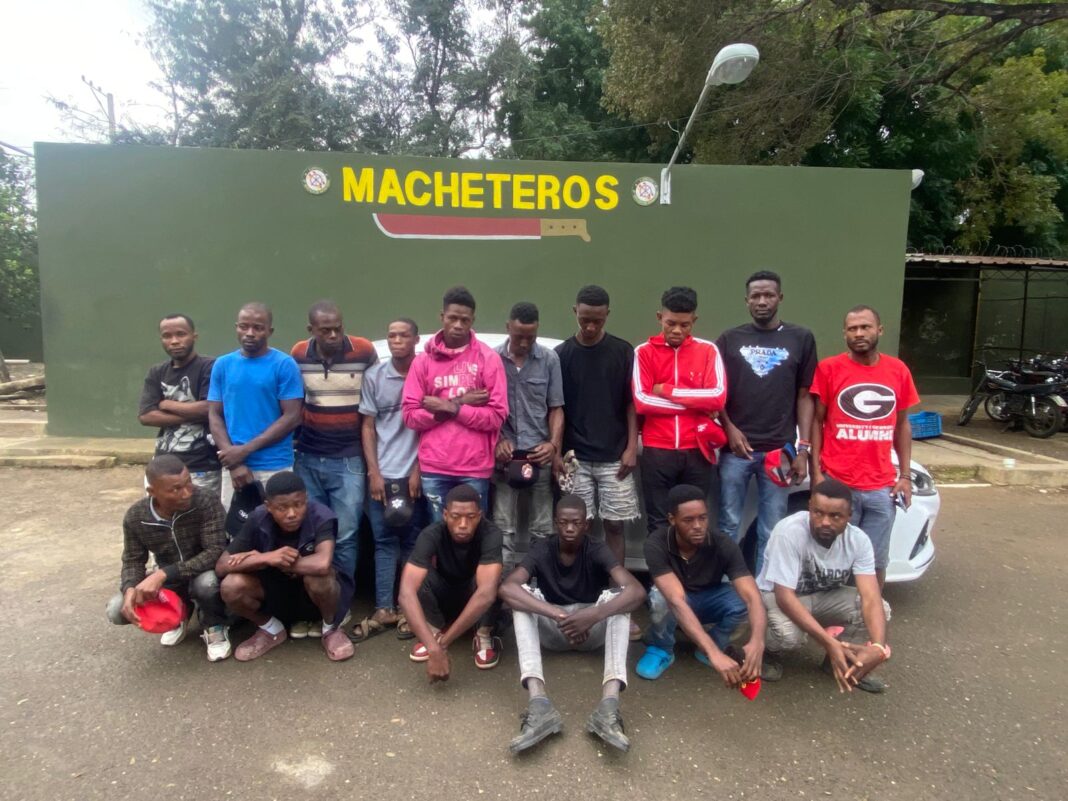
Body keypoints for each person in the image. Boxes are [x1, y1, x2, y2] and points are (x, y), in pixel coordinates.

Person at [499, 494, 646, 754]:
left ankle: (609, 707)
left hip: (591, 631)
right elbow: (507, 588)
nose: (569, 528)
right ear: (555, 522)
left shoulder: (597, 548)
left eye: (576, 523)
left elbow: (636, 591)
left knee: (620, 599)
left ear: (586, 525)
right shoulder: (542, 547)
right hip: (554, 629)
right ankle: (538, 704)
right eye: (564, 522)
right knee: (521, 597)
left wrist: (593, 615)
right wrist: (557, 614)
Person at [809, 305, 920, 586]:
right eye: (852, 328)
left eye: (865, 327)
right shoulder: (829, 369)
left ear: (879, 330)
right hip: (838, 483)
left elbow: (902, 425)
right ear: (844, 333)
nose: (859, 333)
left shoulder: (898, 370)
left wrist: (905, 476)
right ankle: (834, 610)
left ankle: (871, 609)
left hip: (881, 487)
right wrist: (817, 474)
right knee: (832, 558)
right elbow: (817, 422)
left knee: (875, 561)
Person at [715, 271, 817, 573]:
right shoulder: (729, 339)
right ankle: (727, 587)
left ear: (780, 298)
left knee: (772, 528)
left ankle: (764, 588)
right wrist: (728, 428)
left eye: (769, 295)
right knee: (728, 524)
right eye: (756, 296)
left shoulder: (801, 338)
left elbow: (805, 396)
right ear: (746, 300)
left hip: (779, 452)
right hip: (736, 451)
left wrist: (803, 450)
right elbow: (716, 394)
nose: (762, 301)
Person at [290, 300, 378, 637]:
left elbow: (375, 400)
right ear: (310, 330)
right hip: (308, 457)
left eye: (337, 328)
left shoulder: (364, 351)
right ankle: (313, 606)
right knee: (310, 535)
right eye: (324, 330)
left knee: (346, 535)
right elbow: (294, 401)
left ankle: (339, 608)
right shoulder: (298, 354)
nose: (333, 335)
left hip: (349, 459)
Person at [757, 478, 892, 693]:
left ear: (849, 516)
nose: (825, 522)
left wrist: (877, 647)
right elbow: (784, 597)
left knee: (881, 609)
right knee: (788, 635)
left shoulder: (858, 540)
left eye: (835, 516)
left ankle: (843, 663)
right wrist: (828, 641)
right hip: (778, 597)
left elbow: (871, 597)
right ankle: (766, 653)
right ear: (809, 508)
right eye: (818, 513)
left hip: (822, 595)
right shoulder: (789, 532)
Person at [636, 484, 767, 686]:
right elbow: (675, 601)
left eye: (702, 518)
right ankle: (662, 648)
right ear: (672, 519)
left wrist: (758, 641)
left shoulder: (722, 543)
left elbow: (752, 596)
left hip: (709, 598)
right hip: (678, 602)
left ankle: (713, 643)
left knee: (749, 600)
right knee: (660, 598)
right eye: (688, 520)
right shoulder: (657, 543)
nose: (698, 526)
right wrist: (714, 654)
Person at [216, 471, 354, 662]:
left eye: (298, 505)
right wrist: (267, 558)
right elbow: (222, 566)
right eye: (282, 508)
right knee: (231, 585)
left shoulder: (321, 516)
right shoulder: (257, 518)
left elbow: (322, 564)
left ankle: (330, 629)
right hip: (275, 595)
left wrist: (280, 563)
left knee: (320, 577)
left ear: (306, 499)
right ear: (268, 506)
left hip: (313, 599)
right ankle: (271, 630)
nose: (291, 514)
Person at [106, 455, 230, 662]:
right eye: (175, 489)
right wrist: (129, 588)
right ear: (152, 492)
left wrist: (163, 574)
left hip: (202, 571)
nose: (186, 492)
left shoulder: (205, 500)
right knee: (117, 609)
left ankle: (214, 625)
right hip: (169, 580)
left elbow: (215, 551)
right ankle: (178, 614)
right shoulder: (136, 517)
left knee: (206, 583)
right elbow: (133, 559)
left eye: (188, 482)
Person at [402, 286, 508, 520]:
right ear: (442, 317)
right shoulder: (423, 362)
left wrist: (452, 408)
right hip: (434, 467)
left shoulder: (488, 359)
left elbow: (496, 417)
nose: (458, 325)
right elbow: (410, 416)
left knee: (472, 535)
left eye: (464, 320)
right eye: (452, 318)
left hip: (475, 468)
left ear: (472, 321)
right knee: (439, 532)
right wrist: (456, 403)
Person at [554, 285, 640, 566]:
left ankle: (617, 584)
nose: (590, 327)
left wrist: (631, 447)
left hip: (615, 456)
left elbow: (631, 404)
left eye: (597, 321)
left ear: (607, 315)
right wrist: (557, 453)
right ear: (574, 312)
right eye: (584, 319)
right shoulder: (561, 355)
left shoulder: (623, 351)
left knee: (615, 524)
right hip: (574, 457)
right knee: (579, 525)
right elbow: (556, 409)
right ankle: (583, 581)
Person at [633, 286, 728, 534]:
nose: (677, 330)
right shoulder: (643, 352)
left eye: (685, 325)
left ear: (694, 320)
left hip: (698, 449)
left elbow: (717, 397)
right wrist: (696, 406)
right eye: (671, 323)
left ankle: (690, 563)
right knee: (658, 521)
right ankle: (661, 562)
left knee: (694, 524)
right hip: (657, 450)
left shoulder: (708, 351)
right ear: (659, 317)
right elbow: (642, 401)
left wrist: (667, 390)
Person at [357, 317, 428, 641]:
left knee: (414, 542)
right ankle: (384, 607)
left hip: (415, 473)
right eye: (391, 336)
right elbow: (368, 426)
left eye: (403, 335)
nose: (396, 341)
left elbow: (430, 427)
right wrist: (374, 472)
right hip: (382, 474)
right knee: (384, 541)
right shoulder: (375, 376)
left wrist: (418, 470)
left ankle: (408, 608)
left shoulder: (426, 373)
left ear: (416, 339)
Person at [397, 485, 504, 679]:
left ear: (480, 516)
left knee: (495, 581)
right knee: (414, 573)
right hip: (445, 593)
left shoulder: (491, 533)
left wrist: (443, 646)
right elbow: (406, 594)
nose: (463, 524)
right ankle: (433, 632)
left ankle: (483, 635)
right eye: (456, 516)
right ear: (445, 515)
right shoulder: (431, 534)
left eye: (471, 517)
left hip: (474, 594)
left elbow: (486, 594)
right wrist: (433, 648)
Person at [208, 302, 304, 510]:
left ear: (270, 331)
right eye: (244, 326)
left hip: (275, 465)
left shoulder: (284, 365)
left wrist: (244, 451)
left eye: (258, 328)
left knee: (279, 524)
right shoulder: (223, 365)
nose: (250, 333)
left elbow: (292, 417)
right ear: (236, 328)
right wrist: (234, 461)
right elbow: (214, 415)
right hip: (234, 467)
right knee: (236, 525)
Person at [494, 302, 564, 570]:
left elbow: (556, 408)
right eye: (518, 336)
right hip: (505, 456)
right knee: (502, 526)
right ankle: (501, 586)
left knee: (543, 527)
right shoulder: (492, 358)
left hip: (539, 454)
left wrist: (553, 445)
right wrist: (497, 440)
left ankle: (538, 582)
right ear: (507, 328)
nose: (524, 343)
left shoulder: (549, 359)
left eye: (530, 337)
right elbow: (486, 408)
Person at [137, 314, 222, 493]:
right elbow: (146, 416)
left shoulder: (210, 367)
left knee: (200, 510)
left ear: (194, 336)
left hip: (202, 464)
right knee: (160, 509)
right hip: (162, 465)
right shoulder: (157, 372)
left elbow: (208, 408)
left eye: (181, 334)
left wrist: (167, 404)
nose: (174, 341)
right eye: (167, 336)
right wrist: (191, 413)